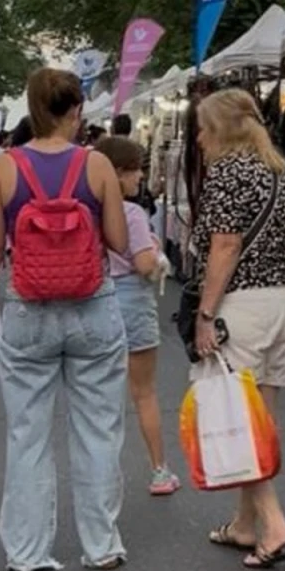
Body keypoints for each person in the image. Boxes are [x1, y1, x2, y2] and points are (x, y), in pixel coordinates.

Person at [0, 68, 130, 571]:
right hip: (93, 308)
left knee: (27, 435)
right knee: (99, 431)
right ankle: (101, 545)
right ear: (77, 110)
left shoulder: (3, 168)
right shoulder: (97, 164)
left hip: (27, 311)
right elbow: (120, 242)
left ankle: (28, 551)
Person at [189, 88, 285, 570]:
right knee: (260, 422)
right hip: (284, 303)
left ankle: (273, 523)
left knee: (235, 424)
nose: (197, 138)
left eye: (203, 128)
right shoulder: (275, 172)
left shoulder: (229, 172)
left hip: (244, 309)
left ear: (221, 130)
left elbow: (226, 246)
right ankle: (244, 524)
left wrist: (205, 313)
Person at [94, 137, 179, 496]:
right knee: (143, 392)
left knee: (99, 396)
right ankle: (160, 471)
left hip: (96, 300)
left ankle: (101, 476)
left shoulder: (88, 209)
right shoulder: (131, 213)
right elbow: (144, 265)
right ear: (118, 172)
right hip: (132, 299)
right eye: (135, 169)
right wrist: (157, 257)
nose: (140, 175)